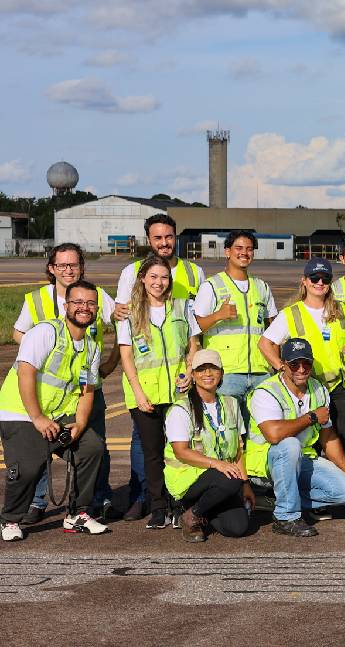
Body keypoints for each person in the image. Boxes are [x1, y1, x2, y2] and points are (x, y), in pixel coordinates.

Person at [12, 243, 118, 524]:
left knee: (95, 445)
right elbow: (18, 332)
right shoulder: (36, 299)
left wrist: (109, 364)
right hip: (50, 392)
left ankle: (97, 497)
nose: (68, 270)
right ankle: (37, 501)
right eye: (62, 265)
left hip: (85, 387)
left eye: (74, 265)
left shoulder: (96, 295)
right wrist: (38, 354)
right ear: (51, 268)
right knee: (40, 449)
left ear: (81, 267)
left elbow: (122, 324)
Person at [0, 280, 108, 541]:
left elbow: (87, 390)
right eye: (78, 302)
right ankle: (10, 520)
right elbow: (26, 373)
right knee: (28, 467)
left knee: (92, 446)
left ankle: (77, 514)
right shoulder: (46, 332)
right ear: (66, 306)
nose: (84, 308)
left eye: (90, 303)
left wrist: (80, 425)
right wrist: (37, 418)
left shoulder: (91, 347)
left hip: (59, 414)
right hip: (21, 412)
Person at [114, 213, 205, 522]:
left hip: (178, 387)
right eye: (153, 277)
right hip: (146, 392)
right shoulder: (131, 296)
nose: (158, 282)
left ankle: (180, 501)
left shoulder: (186, 293)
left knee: (182, 445)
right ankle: (152, 503)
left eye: (163, 278)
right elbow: (126, 350)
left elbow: (194, 338)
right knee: (149, 449)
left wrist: (190, 372)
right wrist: (137, 392)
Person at [247, 338, 345, 537]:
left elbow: (328, 437)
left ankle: (278, 500)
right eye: (294, 364)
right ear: (283, 364)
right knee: (290, 444)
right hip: (265, 464)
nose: (301, 369)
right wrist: (312, 417)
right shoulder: (266, 391)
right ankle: (286, 517)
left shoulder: (319, 389)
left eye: (306, 363)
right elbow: (274, 435)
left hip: (302, 460)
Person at [259, 258, 345, 466]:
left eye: (325, 279)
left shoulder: (340, 312)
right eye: (314, 278)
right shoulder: (291, 313)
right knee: (313, 440)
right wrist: (281, 368)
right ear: (304, 281)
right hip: (309, 387)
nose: (319, 283)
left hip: (337, 386)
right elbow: (265, 343)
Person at [163, 350, 253, 542]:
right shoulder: (182, 409)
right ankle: (189, 515)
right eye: (201, 369)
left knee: (238, 527)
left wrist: (246, 485)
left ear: (221, 372)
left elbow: (238, 449)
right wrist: (216, 464)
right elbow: (181, 452)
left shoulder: (231, 404)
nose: (208, 374)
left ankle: (203, 511)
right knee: (230, 478)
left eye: (213, 368)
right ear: (193, 375)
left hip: (220, 482)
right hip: (188, 480)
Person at [192, 230, 277, 400]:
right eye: (238, 248)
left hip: (260, 373)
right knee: (231, 424)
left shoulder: (262, 287)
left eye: (249, 249)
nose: (244, 253)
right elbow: (194, 327)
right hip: (227, 374)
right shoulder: (212, 286)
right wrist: (218, 315)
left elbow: (274, 331)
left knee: (258, 426)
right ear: (227, 251)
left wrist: (275, 366)